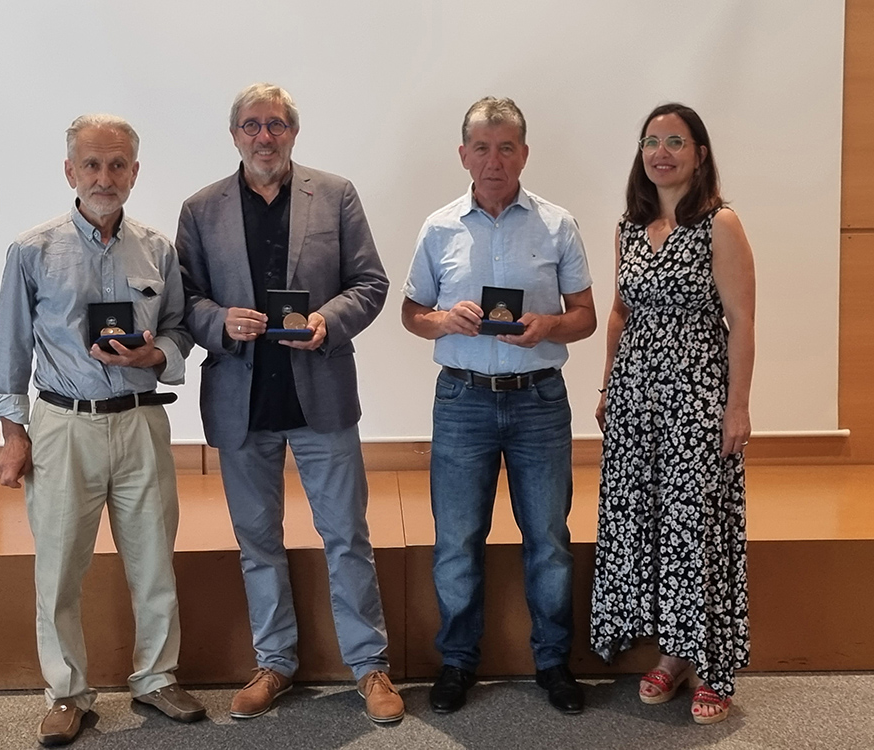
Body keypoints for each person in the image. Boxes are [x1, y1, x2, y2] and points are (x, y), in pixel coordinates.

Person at [175, 83, 403, 724]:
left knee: (347, 536)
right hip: (241, 400)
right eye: (252, 125)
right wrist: (221, 321)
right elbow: (184, 299)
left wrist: (329, 320)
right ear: (235, 134)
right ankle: (274, 663)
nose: (264, 137)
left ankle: (370, 667)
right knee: (257, 543)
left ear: (293, 133)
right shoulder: (200, 208)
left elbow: (371, 282)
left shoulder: (335, 195)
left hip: (320, 397)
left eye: (275, 124)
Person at [0, 114, 203, 746]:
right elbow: (7, 353)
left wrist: (153, 354)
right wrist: (13, 435)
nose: (106, 178)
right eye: (93, 165)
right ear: (70, 170)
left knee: (155, 560)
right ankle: (67, 692)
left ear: (135, 172)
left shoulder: (158, 250)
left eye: (118, 165)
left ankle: (157, 678)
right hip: (61, 426)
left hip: (140, 424)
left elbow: (181, 329)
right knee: (58, 569)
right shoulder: (32, 250)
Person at [401, 97, 597, 715]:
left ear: (524, 154)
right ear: (463, 155)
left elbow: (587, 316)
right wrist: (442, 320)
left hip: (539, 400)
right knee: (457, 539)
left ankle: (553, 662)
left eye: (506, 146)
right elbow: (411, 314)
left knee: (549, 538)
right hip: (461, 399)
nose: (494, 159)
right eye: (482, 147)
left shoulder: (558, 224)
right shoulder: (438, 228)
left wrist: (548, 327)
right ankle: (458, 661)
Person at [590, 103, 755, 725]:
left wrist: (736, 407)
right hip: (635, 399)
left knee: (694, 529)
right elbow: (618, 312)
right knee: (648, 525)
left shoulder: (720, 224)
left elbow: (741, 322)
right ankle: (671, 653)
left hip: (695, 400)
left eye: (676, 142)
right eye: (651, 142)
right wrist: (608, 387)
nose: (662, 152)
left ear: (699, 154)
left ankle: (709, 664)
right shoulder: (628, 227)